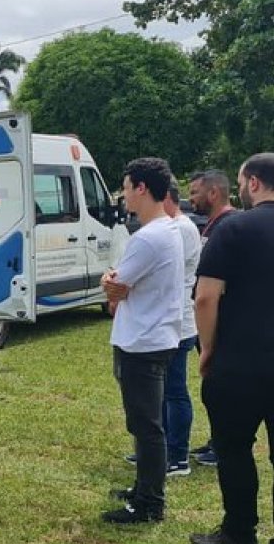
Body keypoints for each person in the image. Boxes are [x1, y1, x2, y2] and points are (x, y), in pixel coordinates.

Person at [189, 153, 274, 544]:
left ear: (253, 183)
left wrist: (208, 348)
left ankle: (239, 535)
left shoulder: (234, 228)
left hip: (240, 362)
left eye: (242, 181)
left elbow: (206, 296)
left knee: (234, 449)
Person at [100, 157, 183, 524]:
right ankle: (143, 488)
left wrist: (109, 283)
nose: (124, 194)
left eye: (126, 186)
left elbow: (116, 287)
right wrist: (115, 283)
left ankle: (150, 503)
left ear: (142, 189)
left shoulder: (148, 238)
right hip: (153, 336)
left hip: (143, 341)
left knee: (147, 426)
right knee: (144, 423)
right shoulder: (168, 230)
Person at [186, 169, 238, 467]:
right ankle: (217, 439)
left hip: (219, 322)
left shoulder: (228, 225)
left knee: (221, 389)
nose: (191, 199)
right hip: (210, 320)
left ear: (214, 193)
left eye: (195, 192)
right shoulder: (214, 225)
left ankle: (223, 444)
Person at [161, 182, 201, 476]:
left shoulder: (183, 229)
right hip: (169, 322)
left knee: (175, 391)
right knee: (162, 390)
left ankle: (178, 456)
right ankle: (159, 449)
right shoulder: (173, 226)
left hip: (181, 323)